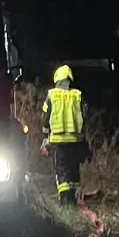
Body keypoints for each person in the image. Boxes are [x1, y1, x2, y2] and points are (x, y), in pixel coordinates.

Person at [40, 64, 86, 205]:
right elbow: (85, 115)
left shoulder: (51, 95)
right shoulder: (77, 95)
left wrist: (46, 135)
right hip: (75, 141)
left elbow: (44, 117)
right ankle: (75, 199)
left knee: (61, 171)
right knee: (73, 170)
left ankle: (66, 203)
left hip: (58, 141)